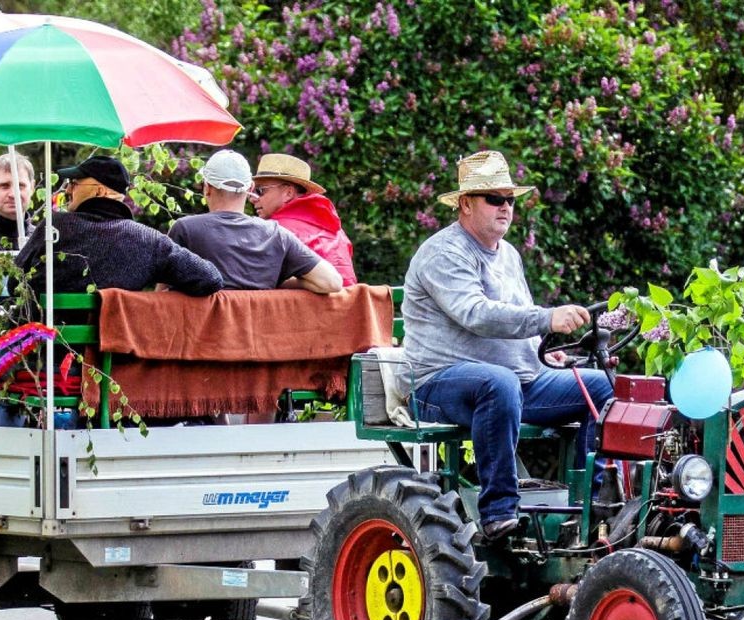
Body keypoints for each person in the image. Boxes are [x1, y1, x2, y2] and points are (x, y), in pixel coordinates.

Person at [397, 150, 613, 540]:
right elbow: (476, 314)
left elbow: (519, 317)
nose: (506, 208)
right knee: (498, 383)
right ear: (465, 204)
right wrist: (547, 318)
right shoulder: (443, 252)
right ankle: (498, 513)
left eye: (510, 200)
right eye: (494, 199)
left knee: (602, 385)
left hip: (517, 382)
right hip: (436, 384)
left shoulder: (509, 255)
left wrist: (543, 350)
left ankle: (587, 508)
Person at [14, 155, 223, 296]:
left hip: (46, 352)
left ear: (99, 191)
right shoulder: (147, 240)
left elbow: (14, 283)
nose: (68, 190)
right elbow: (210, 278)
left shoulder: (55, 226)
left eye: (74, 184)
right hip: (115, 356)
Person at [169, 150, 342, 293]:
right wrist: (277, 282)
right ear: (250, 188)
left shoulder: (185, 229)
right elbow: (332, 283)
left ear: (207, 188)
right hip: (256, 333)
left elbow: (161, 297)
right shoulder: (277, 234)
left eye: (262, 190)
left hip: (206, 334)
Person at [249, 153, 357, 286]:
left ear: (288, 193)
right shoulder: (338, 230)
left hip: (305, 306)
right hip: (349, 304)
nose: (252, 198)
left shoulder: (274, 230)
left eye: (259, 191)